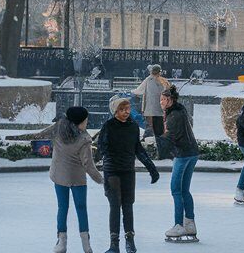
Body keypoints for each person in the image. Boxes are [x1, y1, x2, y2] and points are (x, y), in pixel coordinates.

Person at [97, 96, 160, 253]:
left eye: (128, 109)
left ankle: (130, 241)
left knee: (128, 205)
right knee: (114, 205)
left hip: (127, 171)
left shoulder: (133, 127)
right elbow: (101, 148)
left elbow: (138, 149)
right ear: (115, 111)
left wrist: (151, 168)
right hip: (112, 171)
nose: (126, 112)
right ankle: (114, 244)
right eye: (122, 109)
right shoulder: (108, 126)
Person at [48, 106, 103, 253]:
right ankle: (86, 245)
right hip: (77, 178)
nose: (87, 123)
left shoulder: (58, 130)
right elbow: (89, 166)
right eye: (86, 120)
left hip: (59, 175)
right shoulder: (84, 140)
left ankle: (61, 242)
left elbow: (45, 135)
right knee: (81, 208)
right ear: (79, 122)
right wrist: (101, 180)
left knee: (62, 207)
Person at [158, 85, 200, 241]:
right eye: (160, 99)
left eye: (163, 99)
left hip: (183, 154)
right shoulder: (179, 111)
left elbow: (170, 137)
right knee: (184, 190)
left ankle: (178, 225)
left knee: (176, 189)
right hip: (192, 153)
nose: (161, 102)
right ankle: (190, 224)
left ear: (170, 100)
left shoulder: (174, 116)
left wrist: (156, 141)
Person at [133, 65, 170, 138]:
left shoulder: (148, 80)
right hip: (160, 109)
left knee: (150, 126)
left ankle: (148, 141)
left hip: (149, 109)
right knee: (159, 128)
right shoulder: (163, 81)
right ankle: (159, 140)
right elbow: (169, 91)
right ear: (160, 72)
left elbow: (139, 90)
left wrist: (133, 92)